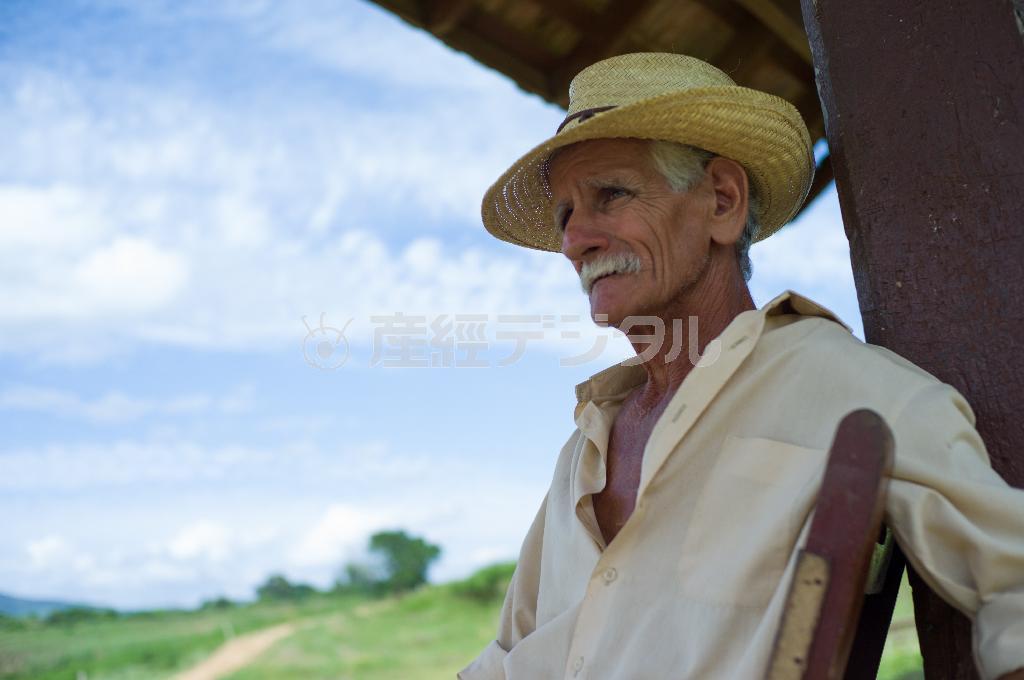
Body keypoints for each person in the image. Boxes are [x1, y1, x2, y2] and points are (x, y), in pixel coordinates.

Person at [458, 53, 1024, 680]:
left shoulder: (843, 386)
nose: (573, 240)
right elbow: (507, 660)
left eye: (610, 196)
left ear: (722, 202)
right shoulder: (582, 450)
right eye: (566, 214)